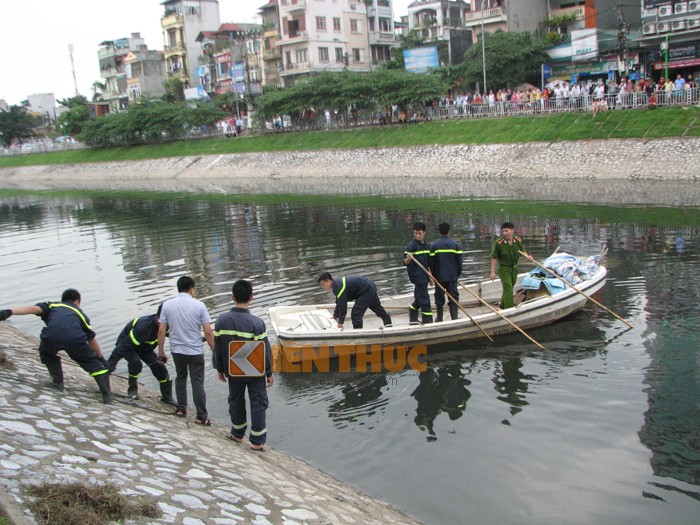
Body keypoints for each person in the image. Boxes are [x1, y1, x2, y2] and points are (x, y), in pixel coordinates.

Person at [0, 288, 112, 403]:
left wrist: (9, 312)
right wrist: (100, 358)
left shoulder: (51, 305)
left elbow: (32, 309)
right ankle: (107, 397)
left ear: (63, 299)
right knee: (95, 366)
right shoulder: (81, 314)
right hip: (75, 340)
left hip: (51, 337)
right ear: (77, 302)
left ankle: (58, 383)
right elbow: (91, 340)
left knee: (47, 354)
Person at [213, 280, 274, 451]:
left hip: (234, 370)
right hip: (254, 371)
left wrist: (220, 369)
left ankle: (237, 434)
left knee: (236, 400)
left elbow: (218, 347)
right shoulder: (257, 323)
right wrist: (269, 372)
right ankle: (257, 441)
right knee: (258, 402)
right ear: (251, 298)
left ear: (232, 297)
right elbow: (264, 351)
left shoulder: (221, 320)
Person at [157, 275, 215, 424]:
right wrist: (215, 351)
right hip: (195, 351)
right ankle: (201, 417)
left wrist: (161, 352)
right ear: (191, 289)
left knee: (181, 377)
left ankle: (181, 408)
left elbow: (161, 331)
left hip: (177, 350)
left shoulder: (167, 305)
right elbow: (208, 332)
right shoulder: (200, 306)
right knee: (197, 383)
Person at [106, 304, 176, 405]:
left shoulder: (168, 325)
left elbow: (179, 336)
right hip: (128, 346)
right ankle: (132, 390)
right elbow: (121, 348)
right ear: (159, 317)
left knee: (161, 369)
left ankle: (167, 397)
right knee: (135, 363)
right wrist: (110, 366)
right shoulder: (143, 327)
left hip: (145, 348)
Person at [317, 272, 392, 329]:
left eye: (323, 284)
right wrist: (335, 315)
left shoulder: (338, 287)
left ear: (329, 281)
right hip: (368, 286)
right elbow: (339, 302)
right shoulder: (336, 286)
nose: (323, 287)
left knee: (356, 314)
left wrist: (340, 322)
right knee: (377, 308)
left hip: (366, 290)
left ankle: (358, 334)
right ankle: (387, 320)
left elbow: (343, 306)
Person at [490, 222, 533, 310]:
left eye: (507, 231)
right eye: (503, 231)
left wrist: (528, 256)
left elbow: (522, 251)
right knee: (508, 288)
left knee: (508, 288)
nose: (504, 233)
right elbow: (494, 257)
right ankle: (509, 309)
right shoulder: (499, 243)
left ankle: (502, 304)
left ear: (512, 231)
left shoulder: (518, 240)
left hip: (514, 268)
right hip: (504, 269)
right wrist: (492, 271)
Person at [429, 222, 463, 322]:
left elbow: (431, 263)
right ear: (449, 231)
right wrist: (457, 274)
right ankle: (454, 318)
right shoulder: (455, 245)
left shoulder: (434, 246)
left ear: (439, 232)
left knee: (439, 298)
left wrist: (433, 275)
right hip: (452, 276)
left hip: (439, 277)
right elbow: (459, 264)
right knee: (453, 297)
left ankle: (439, 318)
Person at [404, 222, 433, 324]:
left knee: (419, 297)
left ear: (424, 233)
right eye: (415, 233)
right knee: (424, 298)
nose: (417, 235)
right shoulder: (411, 246)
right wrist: (408, 258)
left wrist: (431, 276)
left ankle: (413, 314)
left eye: (419, 233)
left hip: (425, 275)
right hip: (417, 276)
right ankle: (428, 320)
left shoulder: (427, 246)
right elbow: (405, 262)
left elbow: (429, 263)